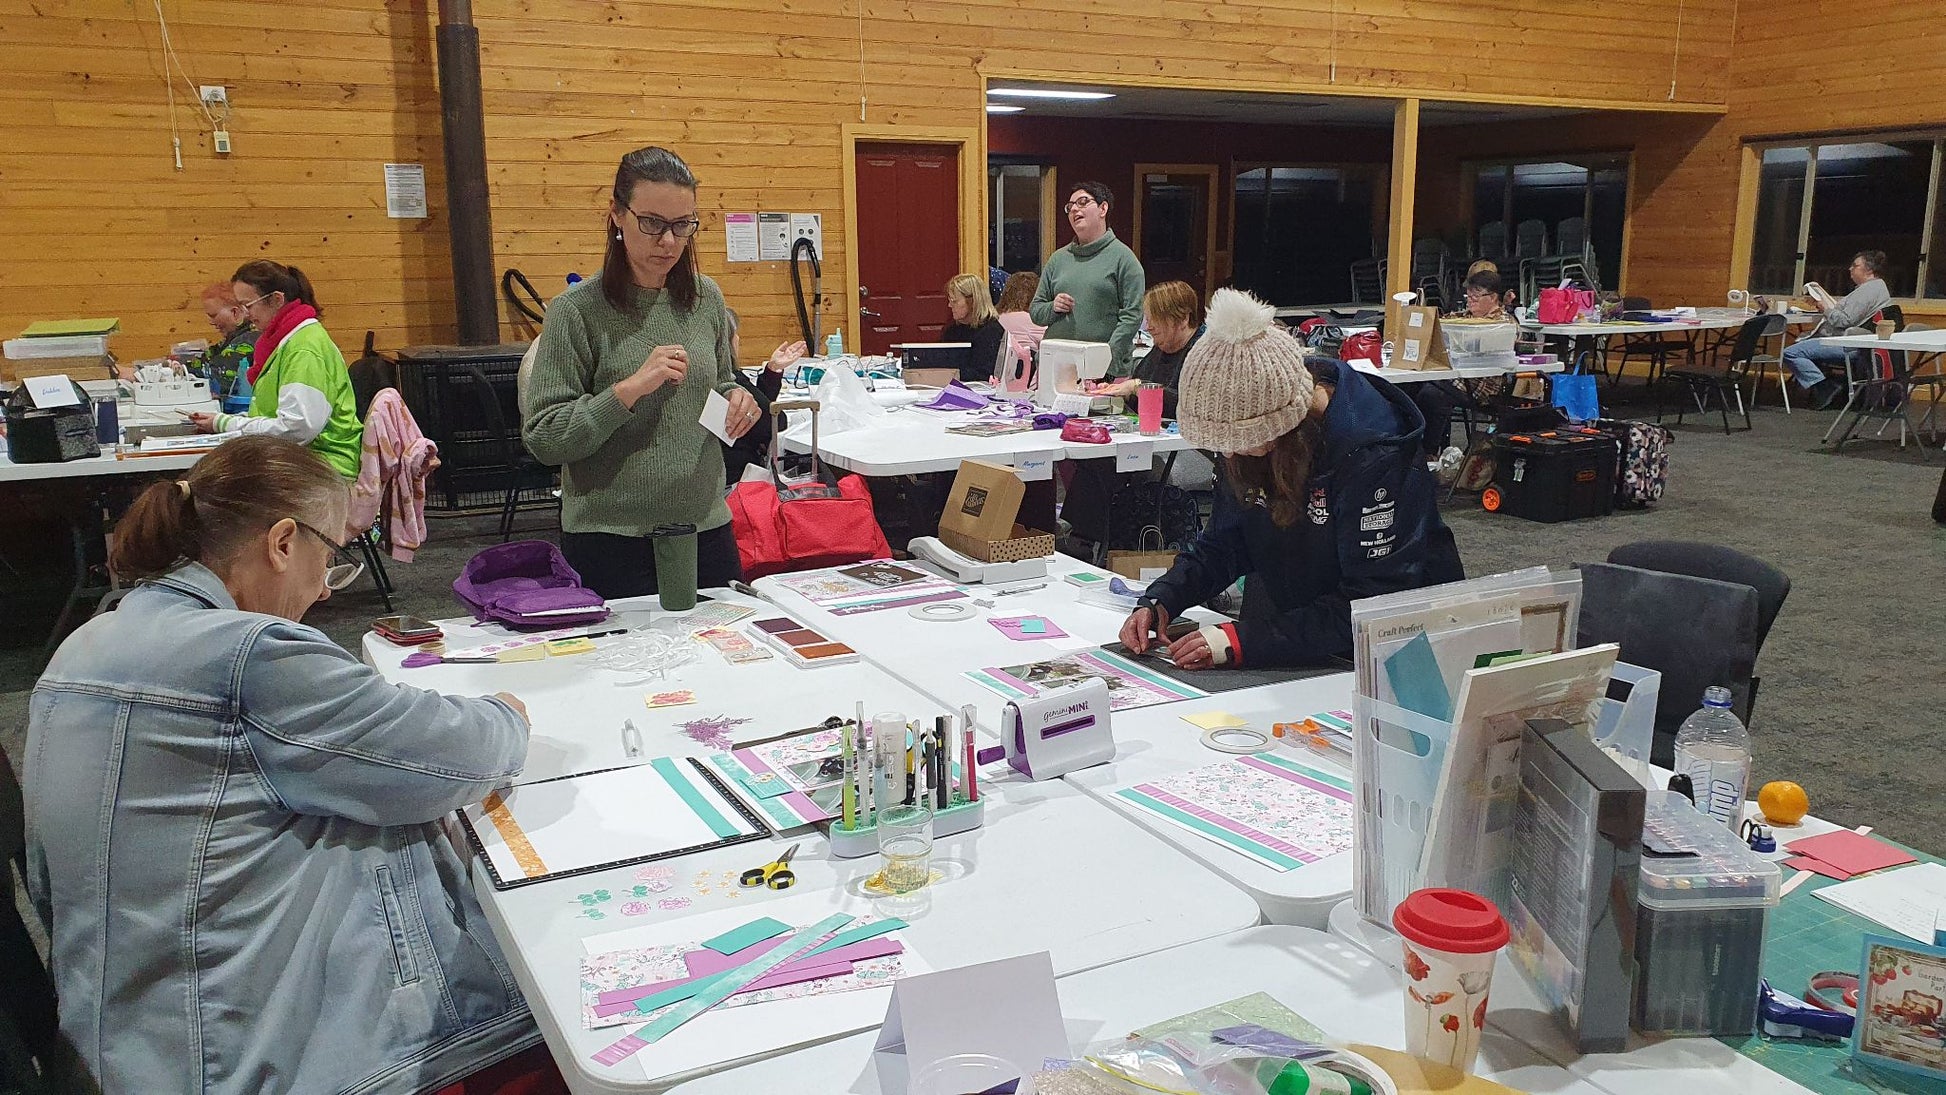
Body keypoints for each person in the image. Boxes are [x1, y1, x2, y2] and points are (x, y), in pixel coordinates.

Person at [24, 436, 556, 1093]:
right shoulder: (250, 655)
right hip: (225, 1060)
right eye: (328, 555)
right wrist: (509, 715)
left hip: (109, 1041)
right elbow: (450, 752)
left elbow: (48, 884)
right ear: (282, 542)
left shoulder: (79, 650)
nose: (326, 588)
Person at [1119, 289, 1464, 669]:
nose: (1231, 454)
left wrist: (1247, 640)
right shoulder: (1263, 442)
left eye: (1241, 442)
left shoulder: (1372, 452)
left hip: (1400, 652)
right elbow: (1225, 541)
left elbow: (1374, 601)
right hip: (1308, 627)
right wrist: (1163, 598)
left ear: (1281, 425)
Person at [523, 146, 764, 598]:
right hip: (610, 540)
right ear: (616, 214)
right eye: (652, 223)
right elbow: (545, 438)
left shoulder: (705, 298)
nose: (669, 242)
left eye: (682, 226)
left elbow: (719, 383)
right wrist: (630, 389)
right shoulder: (576, 312)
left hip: (705, 529)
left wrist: (738, 398)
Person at [188, 261, 363, 480]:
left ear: (277, 300)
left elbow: (296, 428)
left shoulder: (304, 348)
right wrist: (223, 421)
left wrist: (225, 423)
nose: (245, 313)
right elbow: (275, 416)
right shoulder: (287, 341)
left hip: (323, 473)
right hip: (303, 463)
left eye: (248, 305)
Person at [1029, 181, 1146, 376]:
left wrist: (1107, 357)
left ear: (1103, 208)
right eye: (1070, 206)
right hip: (1056, 367)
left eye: (1082, 202)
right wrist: (1053, 307)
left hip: (1103, 371)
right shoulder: (1058, 259)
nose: (1074, 209)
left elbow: (1132, 316)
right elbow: (1035, 311)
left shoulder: (1124, 259)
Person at [1778, 249, 1894, 409]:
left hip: (1848, 343)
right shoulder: (1877, 288)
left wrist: (1825, 308)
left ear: (1869, 270)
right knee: (1804, 341)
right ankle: (1826, 384)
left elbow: (1844, 320)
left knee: (1791, 353)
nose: (1850, 269)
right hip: (1858, 341)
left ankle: (1824, 386)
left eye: (1855, 266)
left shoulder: (1867, 291)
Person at [721, 307, 808, 485]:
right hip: (737, 482)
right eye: (736, 335)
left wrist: (773, 370)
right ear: (727, 342)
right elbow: (774, 422)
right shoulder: (728, 379)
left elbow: (759, 412)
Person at [1093, 280, 1203, 418]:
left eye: (1156, 319)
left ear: (1183, 319)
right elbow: (1138, 401)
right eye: (1148, 320)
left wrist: (1138, 387)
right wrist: (1119, 393)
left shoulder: (1205, 354)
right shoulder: (1162, 347)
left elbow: (1192, 405)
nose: (1148, 327)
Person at [195, 281, 258, 402]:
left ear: (235, 312)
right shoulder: (233, 338)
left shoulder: (250, 339)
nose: (211, 322)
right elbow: (208, 357)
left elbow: (221, 376)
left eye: (213, 315)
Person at [941, 272, 1008, 382]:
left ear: (972, 301)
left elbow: (985, 373)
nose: (949, 305)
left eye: (954, 301)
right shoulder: (952, 330)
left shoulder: (991, 331)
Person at [994, 271, 1046, 388]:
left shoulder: (997, 318)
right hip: (1029, 384)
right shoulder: (1033, 321)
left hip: (1001, 380)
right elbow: (1051, 343)